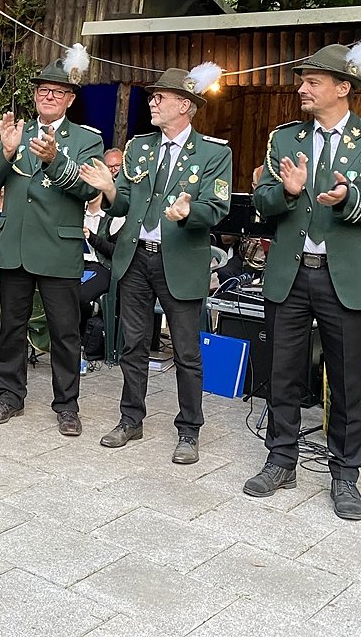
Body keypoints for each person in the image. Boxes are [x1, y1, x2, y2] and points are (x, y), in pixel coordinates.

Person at [245, 40, 361, 521]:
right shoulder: (284, 139)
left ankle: (346, 474)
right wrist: (287, 192)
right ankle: (281, 460)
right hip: (290, 274)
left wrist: (351, 198)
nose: (302, 89)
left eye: (313, 82)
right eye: (302, 81)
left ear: (343, 87)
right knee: (282, 373)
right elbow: (262, 201)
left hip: (346, 278)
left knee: (347, 380)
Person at [80, 66, 232, 464]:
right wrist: (109, 188)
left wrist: (189, 211)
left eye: (159, 97)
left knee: (186, 351)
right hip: (135, 259)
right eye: (152, 96)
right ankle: (131, 419)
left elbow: (218, 207)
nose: (152, 102)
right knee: (133, 343)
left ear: (184, 105)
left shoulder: (214, 153)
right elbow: (124, 204)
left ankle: (189, 431)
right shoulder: (140, 147)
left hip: (179, 261)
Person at [0, 58, 103, 437]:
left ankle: (67, 406)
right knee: (10, 328)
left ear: (70, 99)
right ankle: (9, 396)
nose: (49, 97)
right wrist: (5, 152)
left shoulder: (86, 140)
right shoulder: (17, 131)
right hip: (15, 246)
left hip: (58, 249)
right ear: (34, 96)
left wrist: (55, 160)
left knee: (64, 333)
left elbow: (89, 189)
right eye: (43, 91)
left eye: (57, 92)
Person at [80, 148, 125, 372]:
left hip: (102, 267)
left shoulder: (114, 216)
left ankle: (79, 345)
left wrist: (92, 237)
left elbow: (117, 252)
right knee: (57, 289)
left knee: (78, 295)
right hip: (76, 263)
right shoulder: (78, 212)